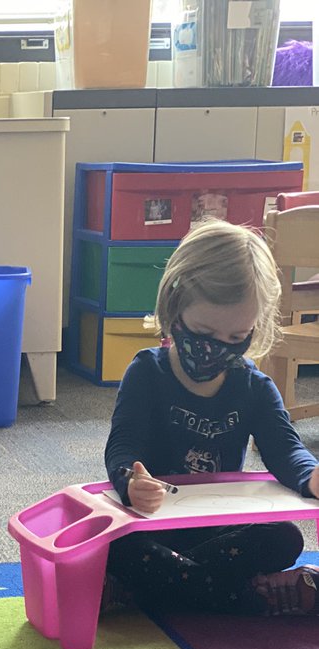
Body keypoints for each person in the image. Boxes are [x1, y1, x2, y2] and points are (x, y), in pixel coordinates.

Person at [104, 218, 319, 618]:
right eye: (203, 330)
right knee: (115, 546)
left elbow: (285, 449)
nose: (215, 348)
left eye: (236, 338)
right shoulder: (146, 373)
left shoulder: (254, 387)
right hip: (150, 524)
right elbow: (122, 444)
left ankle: (150, 591)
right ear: (174, 304)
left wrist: (311, 475)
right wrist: (131, 480)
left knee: (284, 537)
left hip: (217, 528)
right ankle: (249, 597)